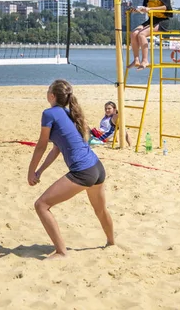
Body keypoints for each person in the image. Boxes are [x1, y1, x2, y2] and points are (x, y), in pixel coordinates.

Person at [27, 79, 115, 259]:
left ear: (52, 95)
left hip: (83, 172)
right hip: (97, 167)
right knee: (100, 210)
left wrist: (30, 172)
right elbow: (56, 148)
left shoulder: (49, 113)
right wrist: (40, 171)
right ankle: (111, 243)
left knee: (41, 205)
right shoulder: (69, 113)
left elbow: (41, 145)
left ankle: (61, 252)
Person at [128, 0, 173, 70]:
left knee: (141, 34)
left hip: (163, 21)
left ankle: (145, 60)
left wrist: (149, 9)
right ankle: (136, 60)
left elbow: (166, 7)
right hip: (152, 20)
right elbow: (144, 6)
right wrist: (137, 10)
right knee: (134, 33)